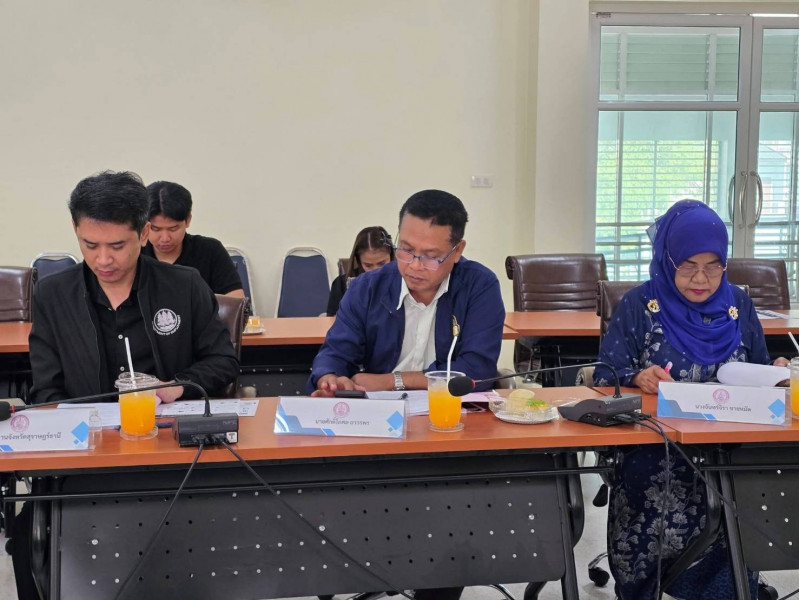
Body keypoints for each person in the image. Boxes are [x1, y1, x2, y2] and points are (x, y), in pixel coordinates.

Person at [11, 171, 240, 599]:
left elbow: (223, 361)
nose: (103, 259)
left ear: (143, 233)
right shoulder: (54, 295)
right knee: (28, 537)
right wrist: (80, 430)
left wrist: (178, 387)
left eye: (117, 246)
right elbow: (45, 390)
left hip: (172, 457)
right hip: (87, 461)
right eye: (90, 245)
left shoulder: (184, 284)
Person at [593, 200, 788, 600]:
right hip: (659, 445)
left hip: (730, 443)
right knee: (653, 472)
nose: (701, 279)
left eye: (713, 266)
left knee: (752, 479)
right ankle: (650, 582)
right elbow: (604, 375)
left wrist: (778, 371)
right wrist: (637, 376)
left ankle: (729, 583)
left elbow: (760, 368)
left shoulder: (738, 305)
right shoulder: (639, 305)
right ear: (668, 260)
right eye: (688, 266)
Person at [143, 180, 244, 297]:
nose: (165, 238)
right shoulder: (135, 253)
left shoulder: (210, 251)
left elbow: (236, 301)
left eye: (173, 229)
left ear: (188, 220)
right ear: (143, 224)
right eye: (155, 229)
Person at [326, 226, 395, 316]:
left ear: (391, 256)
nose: (376, 271)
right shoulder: (341, 285)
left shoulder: (403, 282)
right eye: (368, 265)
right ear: (358, 261)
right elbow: (332, 320)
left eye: (382, 263)